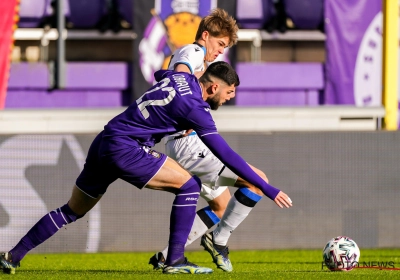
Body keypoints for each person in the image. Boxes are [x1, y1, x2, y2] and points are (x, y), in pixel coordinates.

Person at [0, 62, 291, 275]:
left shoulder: (181, 77)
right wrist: (268, 187)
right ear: (214, 87)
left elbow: (160, 73)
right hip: (127, 147)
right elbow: (226, 154)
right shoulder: (195, 108)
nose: (229, 98)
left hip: (105, 139)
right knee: (188, 185)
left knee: (72, 210)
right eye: (228, 93)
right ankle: (174, 260)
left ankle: (13, 256)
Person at [148, 9, 292, 273]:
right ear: (206, 36)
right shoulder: (193, 53)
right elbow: (180, 76)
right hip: (188, 143)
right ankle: (219, 239)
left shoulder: (198, 60)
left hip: (180, 141)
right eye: (220, 44)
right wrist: (188, 104)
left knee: (221, 205)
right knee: (257, 181)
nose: (220, 51)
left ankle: (167, 257)